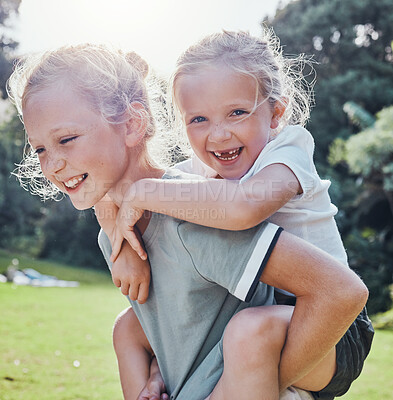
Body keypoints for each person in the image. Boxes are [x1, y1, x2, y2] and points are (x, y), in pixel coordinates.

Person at [7, 43, 369, 400]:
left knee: (249, 333)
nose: (50, 164)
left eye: (66, 139)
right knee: (128, 329)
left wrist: (238, 388)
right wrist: (119, 240)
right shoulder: (201, 181)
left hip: (331, 325)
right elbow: (176, 318)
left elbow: (241, 208)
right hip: (282, 302)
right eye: (39, 149)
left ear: (275, 114)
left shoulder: (283, 155)